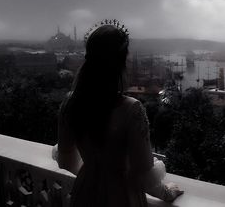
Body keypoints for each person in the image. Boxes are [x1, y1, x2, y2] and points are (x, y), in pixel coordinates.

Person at [56, 22, 183, 207]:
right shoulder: (132, 109)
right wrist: (167, 191)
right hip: (122, 196)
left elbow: (66, 161)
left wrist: (94, 176)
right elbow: (144, 174)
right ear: (121, 62)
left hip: (84, 193)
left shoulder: (71, 103)